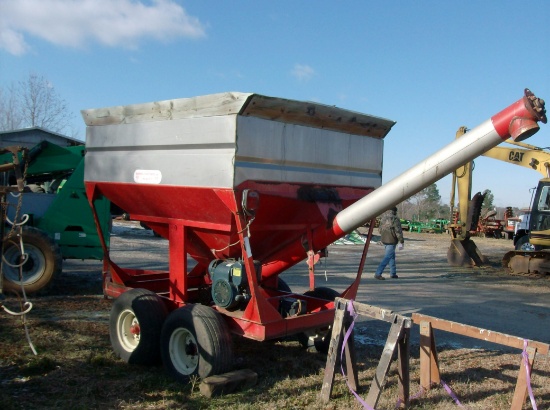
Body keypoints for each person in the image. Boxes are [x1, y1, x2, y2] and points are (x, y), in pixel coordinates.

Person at [374, 207, 404, 280]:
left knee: (391, 256)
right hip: (392, 240)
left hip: (384, 239)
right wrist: (401, 240)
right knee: (388, 257)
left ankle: (393, 273)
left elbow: (379, 230)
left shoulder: (383, 218)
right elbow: (398, 231)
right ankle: (378, 273)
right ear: (394, 211)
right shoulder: (395, 219)